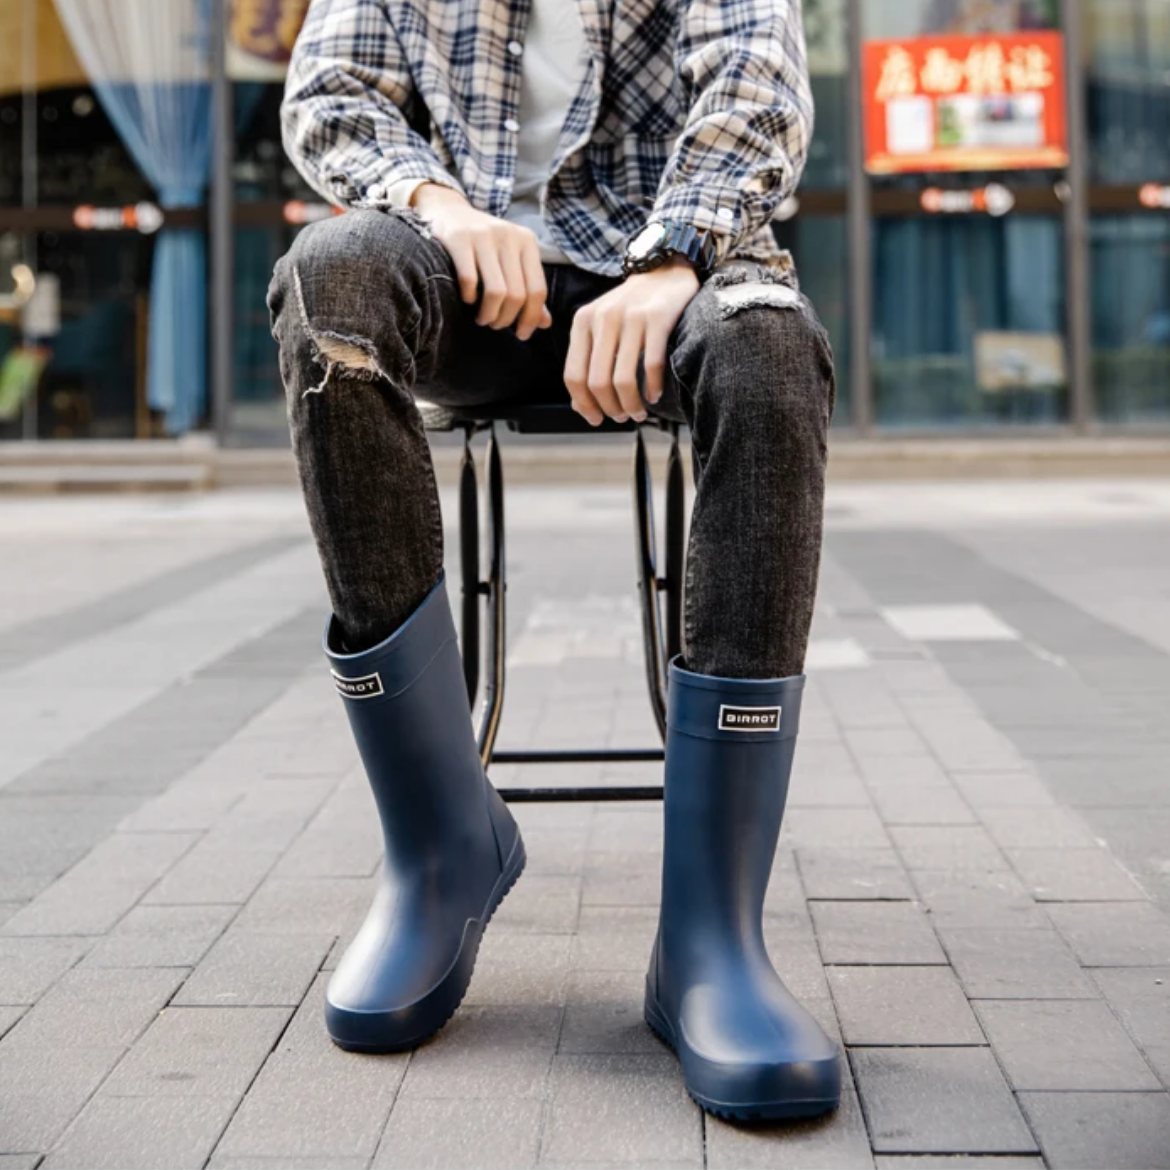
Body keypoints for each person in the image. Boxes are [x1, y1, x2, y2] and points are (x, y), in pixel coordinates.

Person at [270, 0, 839, 1122]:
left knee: (768, 342)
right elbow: (330, 98)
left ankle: (709, 939)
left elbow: (755, 91)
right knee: (331, 276)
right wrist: (441, 205)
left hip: (670, 272)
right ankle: (443, 851)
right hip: (470, 284)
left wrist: (675, 258)